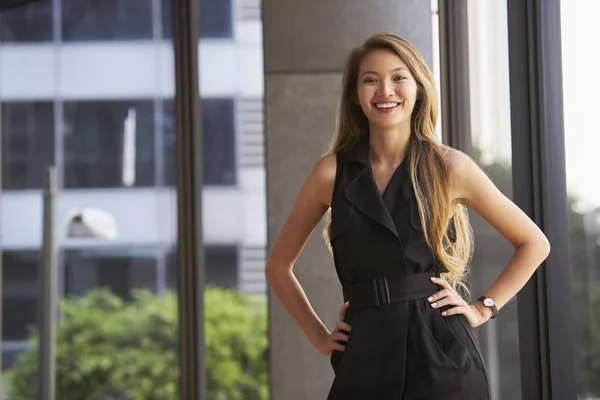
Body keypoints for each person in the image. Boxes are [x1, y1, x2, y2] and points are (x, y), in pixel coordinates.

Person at [264, 32, 550, 400]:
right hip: (363, 353)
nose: (385, 90)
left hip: (441, 353)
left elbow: (534, 243)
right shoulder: (331, 173)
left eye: (399, 77)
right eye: (371, 79)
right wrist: (319, 336)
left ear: (418, 88)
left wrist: (483, 309)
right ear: (355, 94)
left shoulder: (449, 167)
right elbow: (278, 266)